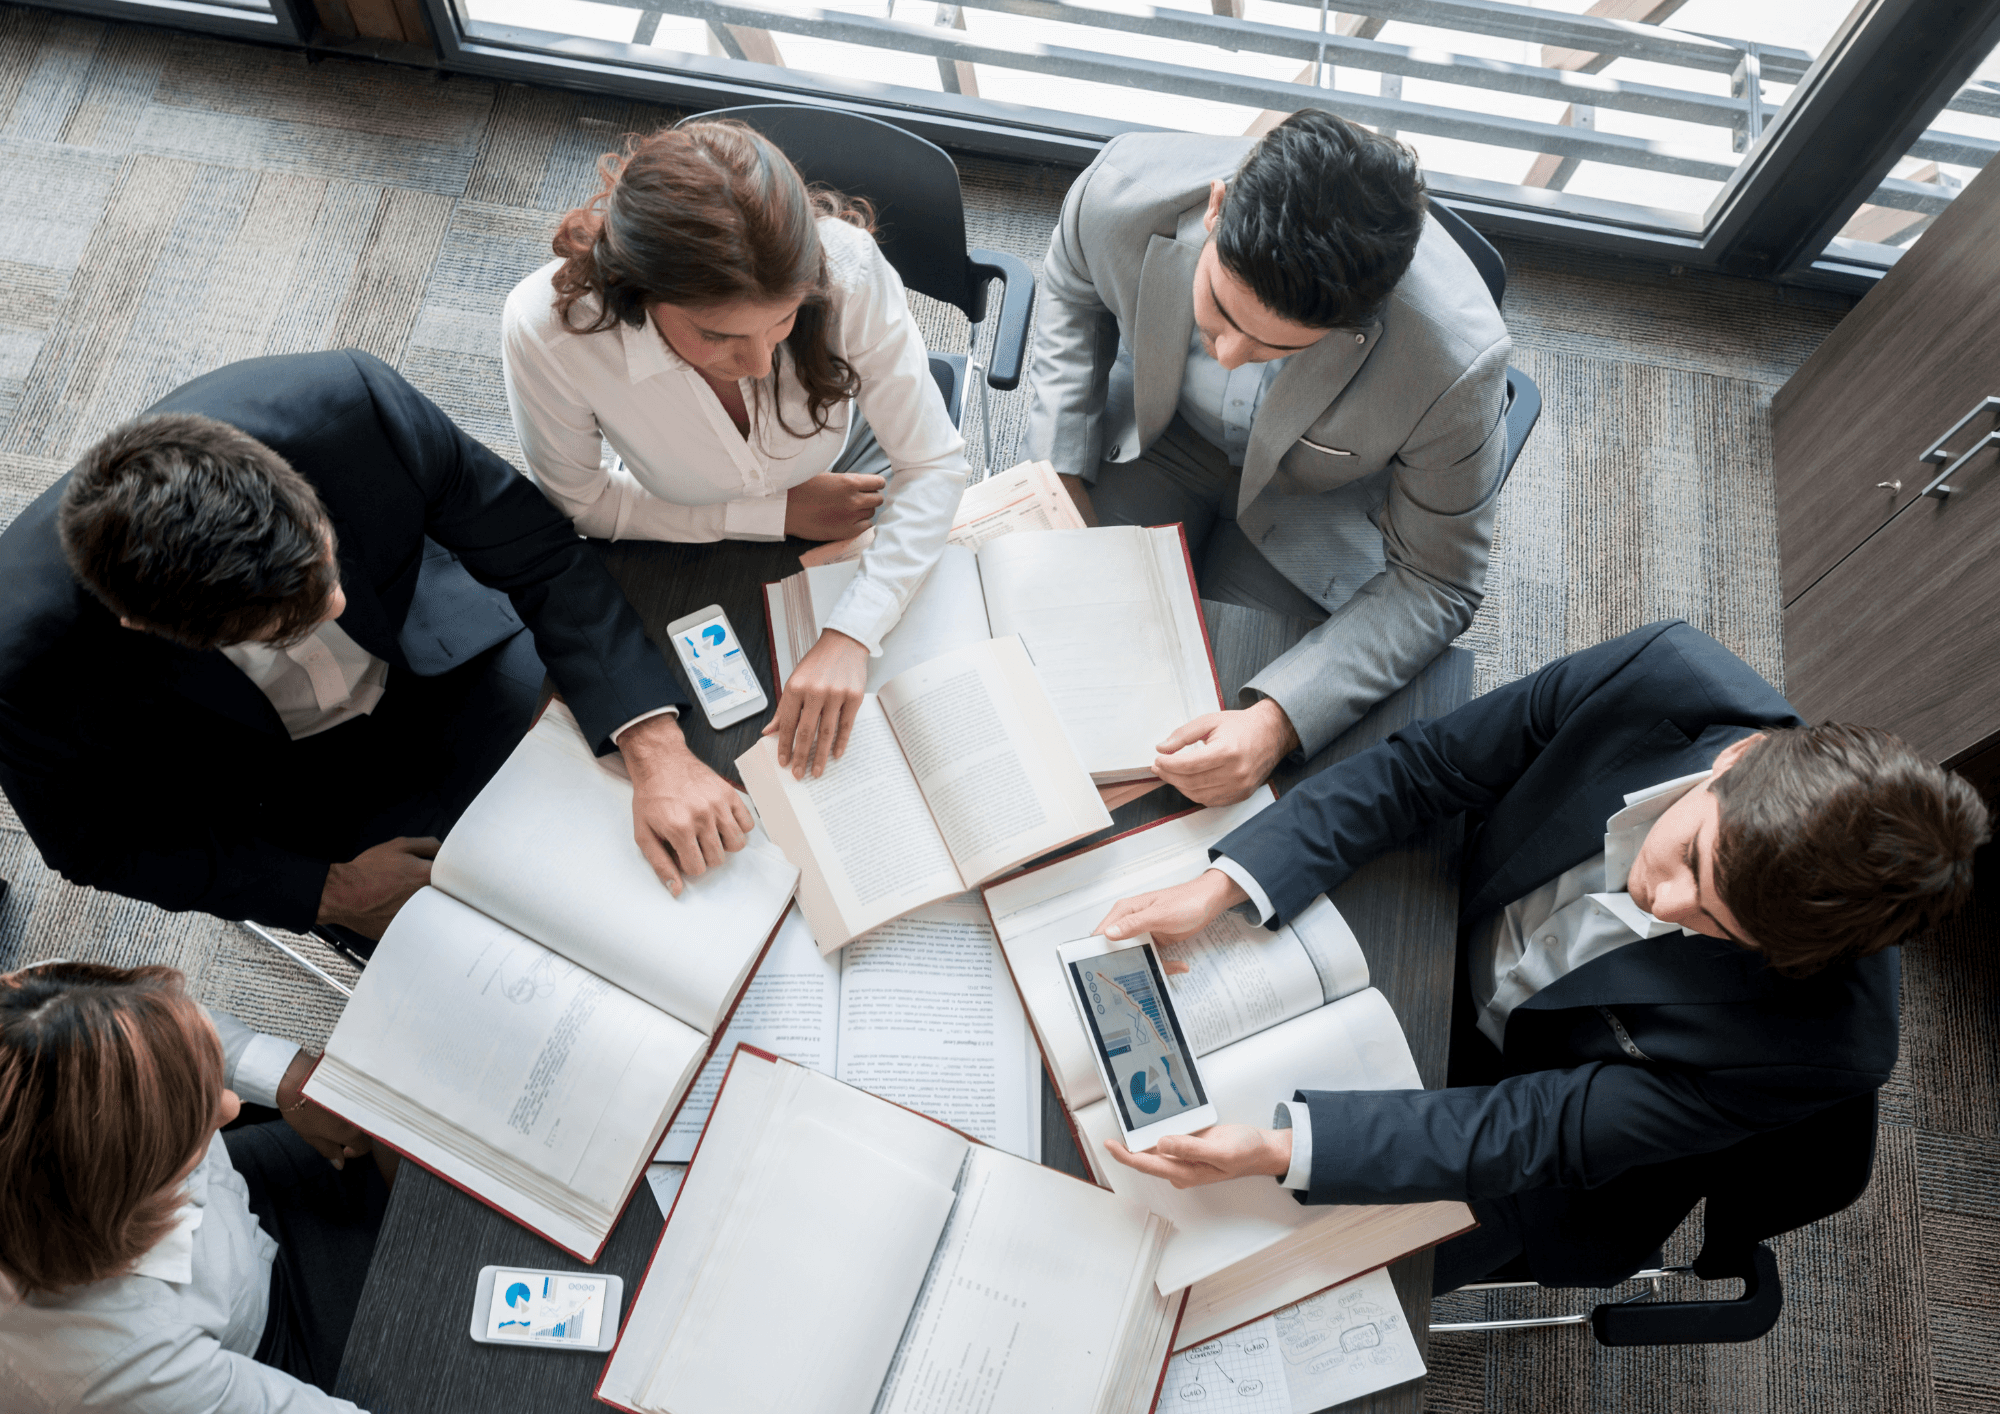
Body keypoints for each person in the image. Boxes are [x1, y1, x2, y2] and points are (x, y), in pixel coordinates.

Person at [1091, 621, 1989, 1291]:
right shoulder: (1666, 679)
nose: (1661, 904)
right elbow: (1429, 769)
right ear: (1739, 758)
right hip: (1447, 928)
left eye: (1719, 925)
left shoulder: (1825, 1047)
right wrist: (1232, 883)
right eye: (1692, 862)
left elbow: (1538, 1129)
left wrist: (1283, 1150)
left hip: (1534, 1132)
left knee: (1234, 1284)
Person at [0, 350, 749, 948]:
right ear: (147, 625)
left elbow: (538, 552)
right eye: (289, 622)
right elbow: (93, 845)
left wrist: (652, 743)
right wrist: (328, 891)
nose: (336, 603)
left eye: (324, 564)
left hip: (447, 658)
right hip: (291, 794)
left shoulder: (350, 408)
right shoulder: (20, 669)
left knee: (703, 795)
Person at [1023, 110, 1510, 806]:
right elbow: (1072, 292)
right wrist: (1059, 477)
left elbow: (1438, 583)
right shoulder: (1121, 187)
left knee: (1210, 746)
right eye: (1220, 314)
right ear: (1217, 208)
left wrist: (1277, 724)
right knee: (1048, 663)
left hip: (1312, 513)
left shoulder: (1457, 363)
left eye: (1273, 347)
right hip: (1149, 440)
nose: (1226, 355)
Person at [501, 119, 969, 781]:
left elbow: (933, 463)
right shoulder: (549, 331)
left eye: (783, 320)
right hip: (668, 532)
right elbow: (582, 504)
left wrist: (853, 633)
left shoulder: (847, 271)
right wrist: (771, 515)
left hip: (841, 477)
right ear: (641, 290)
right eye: (719, 336)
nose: (756, 362)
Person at [0, 960, 389, 1411]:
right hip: (259, 1350)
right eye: (193, 1131)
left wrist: (286, 1079)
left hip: (242, 1215)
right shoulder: (124, 1368)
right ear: (127, 1197)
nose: (228, 1106)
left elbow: (163, 1028)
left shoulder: (34, 1020)